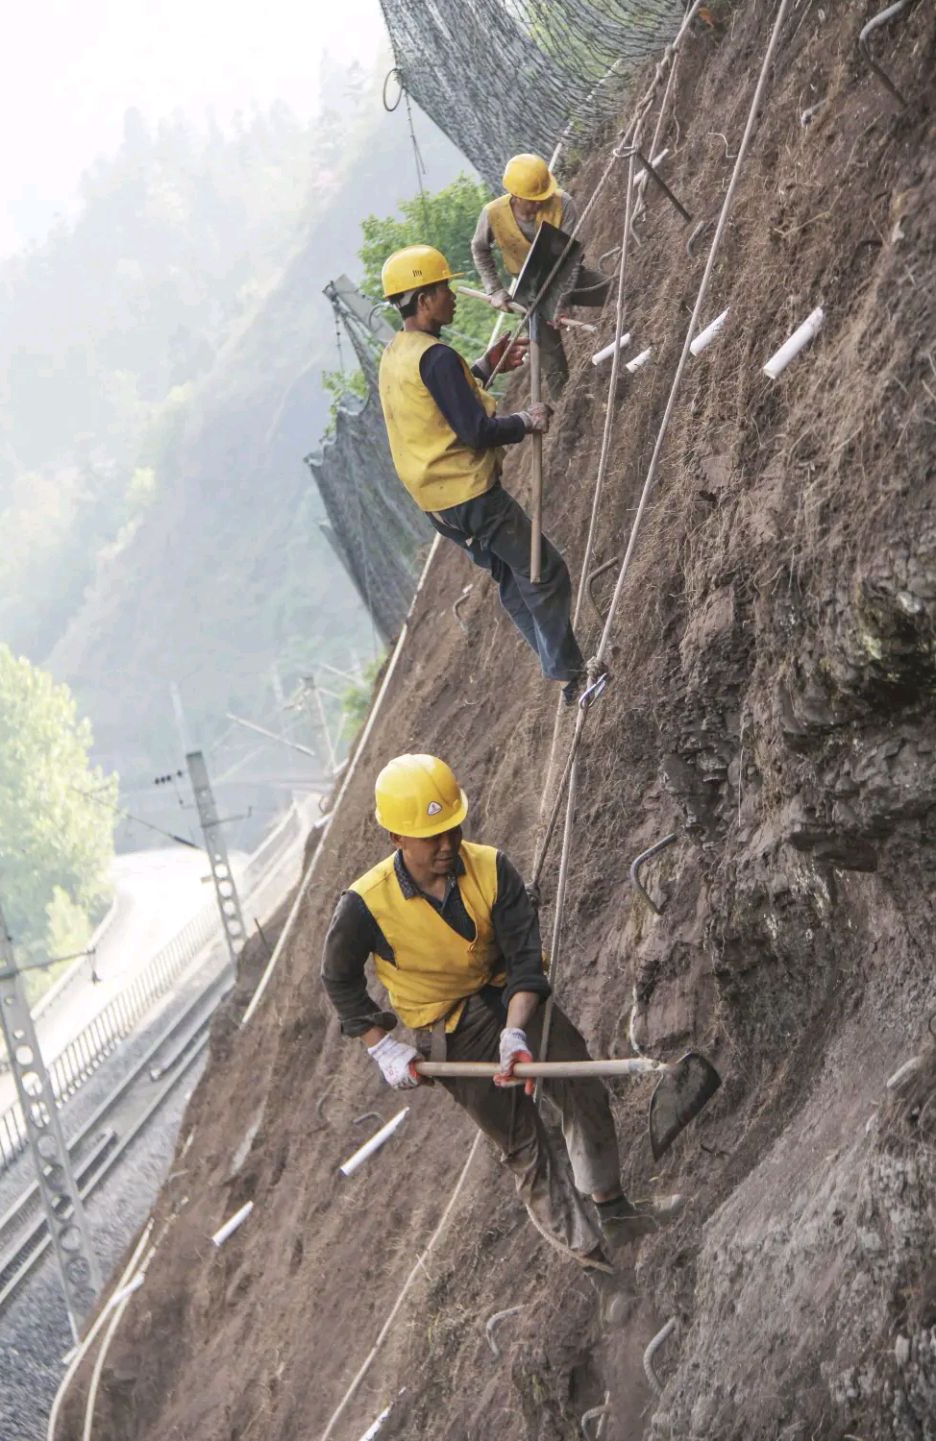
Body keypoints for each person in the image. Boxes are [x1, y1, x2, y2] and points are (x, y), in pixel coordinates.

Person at [321, 753, 683, 1268]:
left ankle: (615, 1210)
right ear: (397, 838)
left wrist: (515, 1033)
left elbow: (525, 962)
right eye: (432, 837)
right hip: (449, 1030)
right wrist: (382, 1047)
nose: (447, 845)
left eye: (453, 829)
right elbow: (338, 979)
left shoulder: (492, 868)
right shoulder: (364, 905)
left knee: (581, 1087)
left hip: (511, 997)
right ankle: (597, 1265)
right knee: (525, 1146)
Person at [378, 242, 587, 704]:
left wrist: (484, 368)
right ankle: (574, 676)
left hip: (439, 506)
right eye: (444, 289)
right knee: (544, 569)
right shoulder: (436, 357)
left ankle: (563, 670)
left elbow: (435, 405)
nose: (452, 297)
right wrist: (526, 421)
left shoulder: (397, 354)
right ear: (424, 299)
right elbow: (475, 432)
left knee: (512, 577)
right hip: (471, 497)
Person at [471, 152, 610, 396]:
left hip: (567, 277)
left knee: (614, 290)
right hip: (529, 292)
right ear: (515, 195)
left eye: (542, 197)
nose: (539, 203)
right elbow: (479, 249)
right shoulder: (493, 214)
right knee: (552, 362)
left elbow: (570, 259)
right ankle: (568, 406)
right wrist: (495, 290)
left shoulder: (563, 203)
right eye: (532, 200)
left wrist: (560, 301)